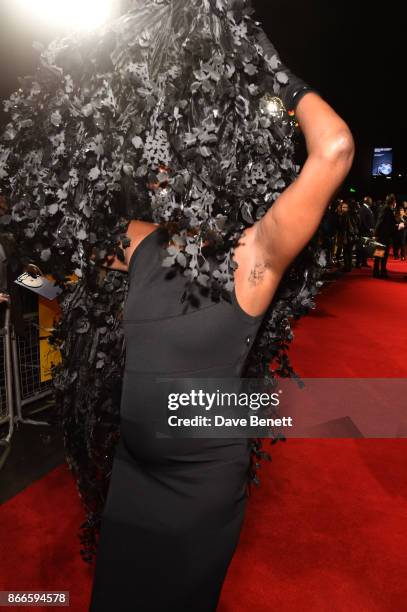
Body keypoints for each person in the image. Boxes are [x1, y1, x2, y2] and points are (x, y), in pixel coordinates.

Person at [88, 6, 354, 611]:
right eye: (161, 160)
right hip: (131, 478)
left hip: (197, 489)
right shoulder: (142, 244)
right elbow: (66, 231)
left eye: (185, 157)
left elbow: (334, 147)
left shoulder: (253, 254)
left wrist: (266, 66)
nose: (168, 172)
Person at [373, 194, 400, 278]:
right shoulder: (386, 209)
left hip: (384, 236)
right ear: (393, 201)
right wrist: (375, 234)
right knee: (380, 255)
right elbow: (379, 222)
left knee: (381, 255)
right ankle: (379, 273)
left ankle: (380, 272)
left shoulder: (387, 209)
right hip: (382, 237)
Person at [356, 196, 375, 267]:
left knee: (365, 247)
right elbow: (363, 221)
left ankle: (364, 262)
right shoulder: (363, 209)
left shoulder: (367, 208)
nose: (372, 202)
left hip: (367, 231)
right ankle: (358, 263)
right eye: (371, 200)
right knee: (361, 247)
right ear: (367, 201)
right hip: (364, 232)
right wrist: (368, 229)